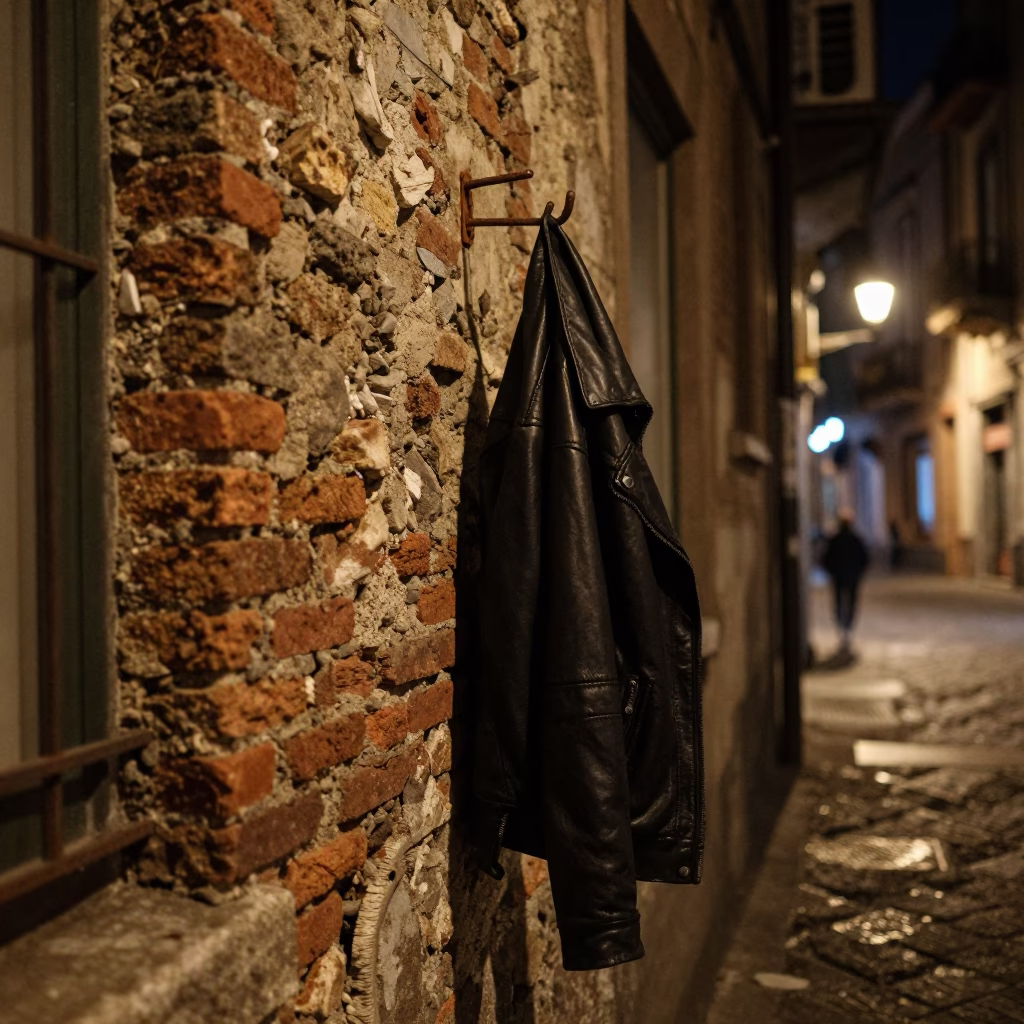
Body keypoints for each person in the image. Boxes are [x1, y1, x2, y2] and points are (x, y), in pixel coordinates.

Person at [822, 514, 870, 653]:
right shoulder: (856, 539)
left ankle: (842, 624)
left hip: (839, 577)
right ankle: (847, 624)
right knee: (851, 601)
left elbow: (826, 558)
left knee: (839, 601)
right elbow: (864, 558)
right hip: (852, 576)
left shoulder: (835, 540)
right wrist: (858, 572)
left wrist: (832, 571)